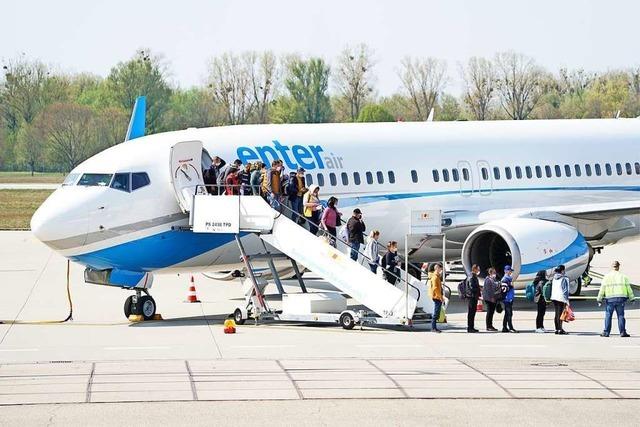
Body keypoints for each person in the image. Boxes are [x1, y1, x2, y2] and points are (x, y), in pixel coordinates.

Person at [597, 261, 634, 337]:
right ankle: (622, 332)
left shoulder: (607, 277)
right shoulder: (623, 276)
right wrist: (632, 298)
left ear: (612, 267)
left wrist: (599, 299)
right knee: (620, 316)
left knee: (608, 316)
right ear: (618, 267)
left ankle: (606, 332)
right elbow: (629, 288)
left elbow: (602, 289)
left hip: (610, 299)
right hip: (621, 299)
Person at [551, 264, 570, 335]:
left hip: (554, 297)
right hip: (561, 298)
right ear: (562, 271)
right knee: (561, 314)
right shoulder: (564, 279)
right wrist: (567, 300)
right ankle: (560, 329)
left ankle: (556, 328)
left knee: (557, 313)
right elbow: (565, 290)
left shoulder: (554, 278)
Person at [482, 267, 500, 331]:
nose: (495, 274)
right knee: (489, 312)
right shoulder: (488, 280)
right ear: (490, 273)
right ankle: (488, 326)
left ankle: (490, 325)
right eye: (494, 273)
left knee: (491, 312)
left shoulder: (493, 279)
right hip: (489, 299)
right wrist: (492, 298)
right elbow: (489, 290)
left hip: (493, 298)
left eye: (495, 273)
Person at [500, 265, 517, 333]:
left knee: (507, 314)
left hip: (509, 298)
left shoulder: (508, 279)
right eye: (510, 271)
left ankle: (504, 327)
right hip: (507, 299)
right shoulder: (505, 279)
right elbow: (504, 290)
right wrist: (510, 287)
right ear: (506, 271)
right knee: (509, 314)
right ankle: (510, 327)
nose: (510, 272)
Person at [429, 263, 444, 333]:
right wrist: (440, 297)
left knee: (437, 312)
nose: (441, 270)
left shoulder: (437, 276)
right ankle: (433, 328)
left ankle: (434, 327)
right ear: (437, 268)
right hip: (436, 297)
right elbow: (435, 288)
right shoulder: (435, 277)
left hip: (437, 296)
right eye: (440, 269)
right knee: (436, 313)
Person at [466, 264, 481, 333]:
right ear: (474, 269)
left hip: (473, 296)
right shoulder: (472, 277)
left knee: (472, 313)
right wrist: (478, 289)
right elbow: (472, 287)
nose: (479, 270)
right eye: (478, 269)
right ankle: (470, 328)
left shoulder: (473, 276)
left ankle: (471, 327)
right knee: (471, 313)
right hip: (472, 297)